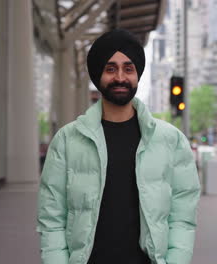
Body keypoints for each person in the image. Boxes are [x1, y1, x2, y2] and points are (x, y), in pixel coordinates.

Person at [37, 29, 201, 264]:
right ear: (98, 75)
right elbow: (51, 219)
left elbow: (183, 218)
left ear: (137, 74)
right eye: (111, 68)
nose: (120, 77)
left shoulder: (171, 140)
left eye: (128, 68)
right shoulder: (66, 140)